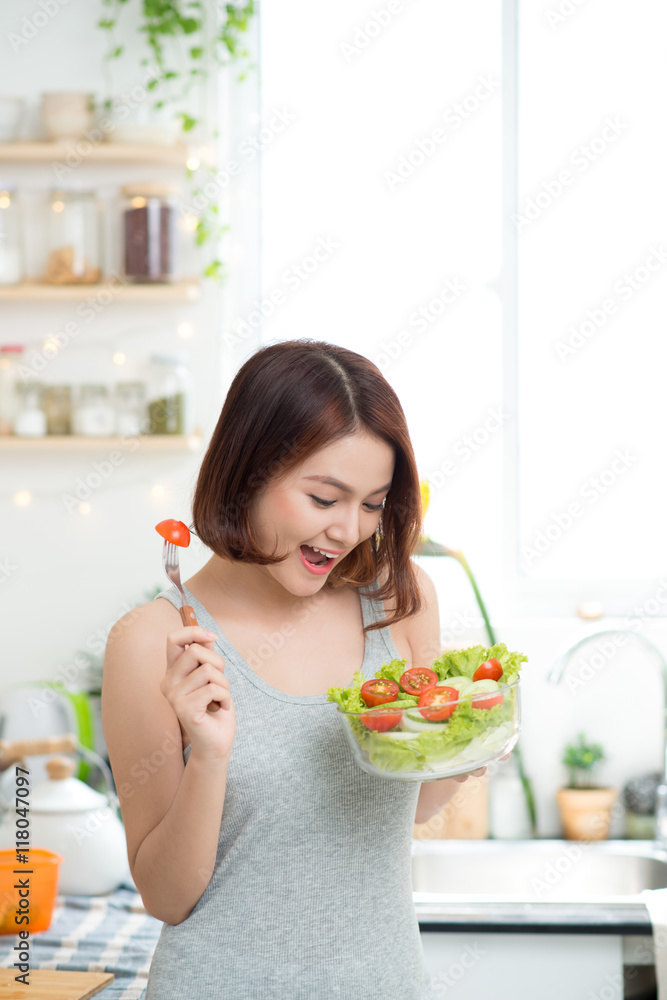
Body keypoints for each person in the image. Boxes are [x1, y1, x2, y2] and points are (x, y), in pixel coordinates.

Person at [102, 339, 485, 1000]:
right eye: (323, 498)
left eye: (371, 504)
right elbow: (166, 897)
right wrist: (210, 758)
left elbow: (413, 802)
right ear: (247, 473)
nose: (347, 530)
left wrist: (469, 736)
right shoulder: (150, 642)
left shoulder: (400, 601)